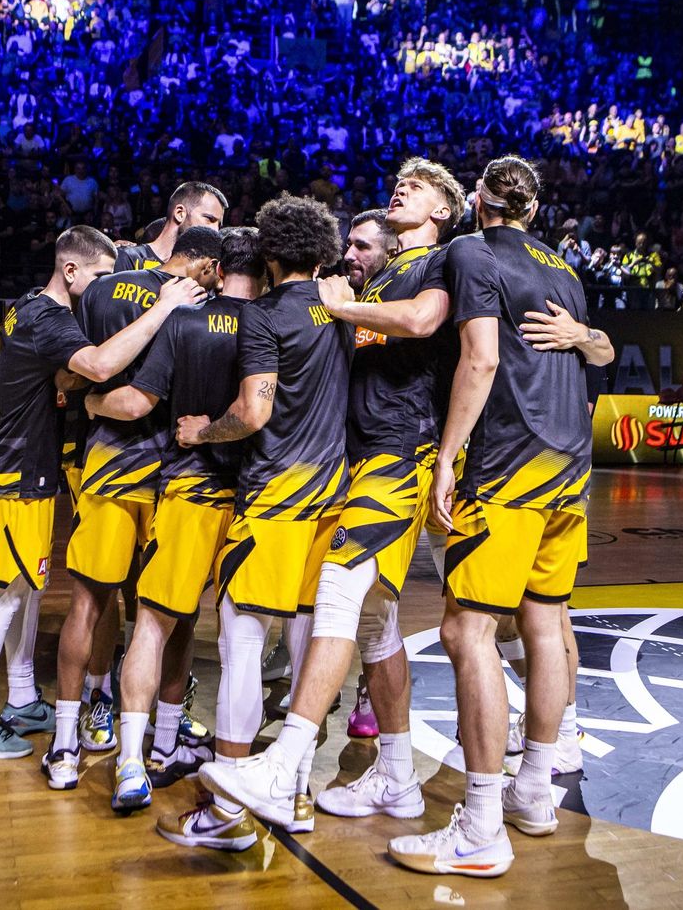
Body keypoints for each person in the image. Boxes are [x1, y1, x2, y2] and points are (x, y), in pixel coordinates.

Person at [199, 159, 467, 831]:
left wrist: (343, 304)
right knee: (375, 626)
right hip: (357, 463)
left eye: (421, 185)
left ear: (441, 212)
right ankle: (398, 778)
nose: (402, 185)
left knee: (340, 595)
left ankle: (284, 761)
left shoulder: (441, 263)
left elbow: (426, 319)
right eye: (400, 179)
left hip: (398, 457)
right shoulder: (373, 280)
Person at [393, 156, 611, 876]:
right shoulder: (565, 270)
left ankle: (482, 823)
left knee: (467, 629)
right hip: (570, 467)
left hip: (510, 462)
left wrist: (449, 455)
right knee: (545, 623)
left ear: (479, 199)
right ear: (536, 209)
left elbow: (480, 361)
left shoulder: (469, 251)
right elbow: (602, 352)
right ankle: (534, 791)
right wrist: (582, 338)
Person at [0, 225, 201, 760]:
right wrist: (165, 306)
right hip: (13, 474)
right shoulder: (49, 320)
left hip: (29, 472)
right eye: (101, 277)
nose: (107, 288)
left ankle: (20, 697)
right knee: (0, 597)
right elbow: (101, 366)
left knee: (27, 591)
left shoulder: (28, 307)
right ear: (70, 271)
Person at [157, 196, 349, 852]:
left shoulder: (265, 316)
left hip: (273, 502)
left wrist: (202, 430)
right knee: (304, 648)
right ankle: (290, 790)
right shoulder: (342, 312)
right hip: (332, 501)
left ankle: (228, 810)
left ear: (269, 252)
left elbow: (254, 411)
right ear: (322, 253)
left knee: (241, 647)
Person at [85, 227, 264, 812]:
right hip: (259, 499)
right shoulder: (275, 325)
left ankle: (136, 761)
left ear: (217, 267)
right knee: (239, 639)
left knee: (155, 624)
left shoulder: (183, 321)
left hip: (187, 490)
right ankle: (206, 757)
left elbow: (137, 402)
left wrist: (88, 402)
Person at [42, 225, 224, 792]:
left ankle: (68, 742)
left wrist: (88, 397)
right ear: (204, 264)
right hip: (174, 475)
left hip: (107, 465)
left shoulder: (102, 291)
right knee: (173, 615)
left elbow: (71, 370)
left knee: (87, 606)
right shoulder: (204, 309)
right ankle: (162, 739)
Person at [114, 181, 228, 271]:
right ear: (180, 213)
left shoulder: (206, 274)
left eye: (219, 225)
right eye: (209, 219)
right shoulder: (127, 258)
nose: (216, 230)